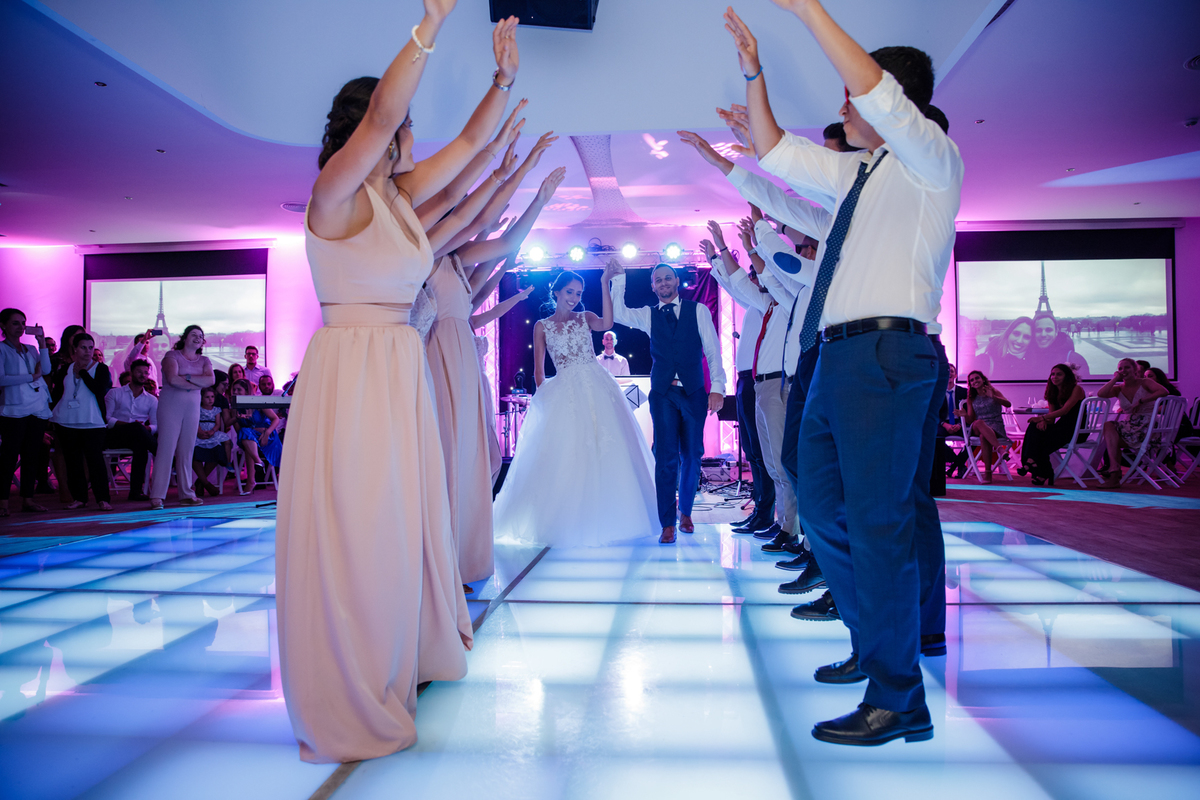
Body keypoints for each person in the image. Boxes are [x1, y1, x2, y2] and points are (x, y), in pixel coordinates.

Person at [275, 4, 518, 763]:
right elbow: (382, 115)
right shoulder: (335, 192)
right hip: (352, 375)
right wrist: (430, 26)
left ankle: (400, 655)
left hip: (398, 371)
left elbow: (472, 145)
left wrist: (502, 81)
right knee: (359, 526)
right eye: (402, 122)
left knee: (403, 521)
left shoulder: (398, 197)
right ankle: (351, 681)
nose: (408, 131)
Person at [725, 0, 962, 745]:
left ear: (889, 98)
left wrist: (810, 12)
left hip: (886, 354)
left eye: (856, 96)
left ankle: (898, 695)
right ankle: (879, 649)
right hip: (836, 356)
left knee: (879, 521)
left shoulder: (930, 158)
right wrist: (755, 69)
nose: (843, 106)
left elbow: (877, 93)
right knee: (819, 501)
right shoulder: (860, 173)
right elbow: (773, 153)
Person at [425, 167, 564, 584]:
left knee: (470, 456)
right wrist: (516, 190)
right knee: (447, 455)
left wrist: (535, 202)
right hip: (439, 358)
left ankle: (458, 553)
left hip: (462, 362)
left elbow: (494, 264)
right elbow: (490, 236)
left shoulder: (454, 263)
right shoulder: (427, 258)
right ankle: (438, 559)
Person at [494, 264, 657, 546]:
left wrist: (605, 281)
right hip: (564, 390)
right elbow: (539, 371)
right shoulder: (541, 326)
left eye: (579, 293)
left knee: (605, 447)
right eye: (569, 291)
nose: (574, 297)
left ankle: (610, 518)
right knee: (568, 452)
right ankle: (566, 520)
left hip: (597, 385)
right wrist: (543, 398)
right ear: (556, 291)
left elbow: (607, 323)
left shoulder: (585, 317)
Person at [610, 261, 726, 544]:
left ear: (676, 281)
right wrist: (620, 280)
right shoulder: (649, 316)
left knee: (693, 455)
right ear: (653, 286)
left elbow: (712, 351)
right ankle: (667, 522)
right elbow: (619, 313)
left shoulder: (698, 311)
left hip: (694, 392)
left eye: (667, 278)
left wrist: (719, 388)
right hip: (663, 393)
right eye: (657, 280)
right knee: (665, 457)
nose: (663, 283)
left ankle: (686, 511)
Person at [150, 324, 213, 509]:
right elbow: (172, 379)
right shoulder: (172, 356)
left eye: (200, 336)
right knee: (166, 449)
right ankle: (157, 496)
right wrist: (196, 380)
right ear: (185, 338)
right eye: (193, 334)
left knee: (187, 450)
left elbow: (210, 380)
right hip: (171, 406)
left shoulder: (204, 360)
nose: (197, 338)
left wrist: (185, 378)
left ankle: (186, 493)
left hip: (192, 407)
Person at [49, 332, 113, 510]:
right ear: (75, 349)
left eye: (90, 348)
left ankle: (103, 499)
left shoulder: (100, 369)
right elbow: (57, 393)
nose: (87, 351)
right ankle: (79, 498)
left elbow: (99, 390)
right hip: (67, 421)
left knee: (95, 461)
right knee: (73, 462)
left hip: (93, 422)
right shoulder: (65, 370)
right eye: (83, 348)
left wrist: (83, 373)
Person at [0, 308, 52, 516]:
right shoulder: (2, 349)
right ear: (3, 325)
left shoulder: (30, 349)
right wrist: (31, 376)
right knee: (9, 456)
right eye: (15, 323)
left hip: (37, 407)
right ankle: (3, 502)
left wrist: (42, 344)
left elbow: (46, 370)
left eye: (23, 323)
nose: (21, 327)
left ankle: (28, 499)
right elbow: (2, 379)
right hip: (13, 409)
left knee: (32, 455)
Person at [1097, 357, 1168, 488]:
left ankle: (1114, 474)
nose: (1123, 370)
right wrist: (1114, 379)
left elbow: (1164, 391)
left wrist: (1142, 401)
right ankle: (1114, 470)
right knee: (1109, 426)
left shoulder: (1144, 382)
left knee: (1112, 438)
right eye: (1120, 368)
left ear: (1135, 370)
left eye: (1127, 367)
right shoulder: (1119, 388)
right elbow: (1101, 394)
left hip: (1147, 427)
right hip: (1129, 427)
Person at [1019, 363, 1085, 486]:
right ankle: (1034, 464)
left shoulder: (1077, 389)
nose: (1054, 377)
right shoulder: (1053, 391)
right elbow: (1052, 418)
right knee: (1035, 428)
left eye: (1059, 374)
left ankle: (1037, 467)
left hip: (1076, 430)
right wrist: (1043, 420)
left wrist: (1042, 417)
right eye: (1053, 374)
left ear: (1067, 376)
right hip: (1061, 428)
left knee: (1040, 441)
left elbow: (1065, 410)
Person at [103, 357, 158, 501]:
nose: (143, 375)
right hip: (115, 435)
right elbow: (107, 419)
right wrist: (130, 426)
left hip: (137, 437)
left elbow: (155, 425)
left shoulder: (151, 399)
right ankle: (160, 451)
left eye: (146, 373)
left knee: (140, 445)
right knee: (136, 428)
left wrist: (144, 428)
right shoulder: (115, 393)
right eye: (139, 372)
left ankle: (135, 492)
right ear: (131, 372)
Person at [231, 379, 282, 489]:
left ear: (246, 391)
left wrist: (267, 432)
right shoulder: (236, 407)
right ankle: (258, 462)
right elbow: (238, 430)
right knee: (246, 434)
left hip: (266, 435)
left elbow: (275, 419)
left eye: (239, 390)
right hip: (249, 438)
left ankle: (251, 481)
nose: (236, 392)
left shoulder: (257, 401)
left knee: (248, 437)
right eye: (234, 390)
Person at [963, 370, 1010, 483]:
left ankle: (988, 474)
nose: (975, 381)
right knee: (979, 422)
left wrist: (993, 397)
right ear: (970, 384)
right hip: (978, 427)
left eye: (977, 378)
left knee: (984, 437)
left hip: (996, 426)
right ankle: (1000, 449)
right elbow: (970, 419)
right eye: (972, 380)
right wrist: (964, 414)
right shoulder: (971, 398)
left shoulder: (993, 391)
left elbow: (1008, 404)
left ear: (983, 379)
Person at [1028, 311, 1089, 377]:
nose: (1043, 334)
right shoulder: (1026, 357)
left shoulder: (1075, 359)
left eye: (1048, 330)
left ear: (1056, 332)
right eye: (1038, 330)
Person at [193, 386, 229, 496]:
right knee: (194, 453)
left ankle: (200, 482)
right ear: (201, 398)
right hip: (199, 433)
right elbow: (195, 420)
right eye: (207, 397)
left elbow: (218, 424)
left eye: (212, 397)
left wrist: (212, 431)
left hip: (212, 433)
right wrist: (200, 431)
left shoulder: (216, 409)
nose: (210, 399)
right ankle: (206, 483)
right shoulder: (197, 408)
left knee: (217, 451)